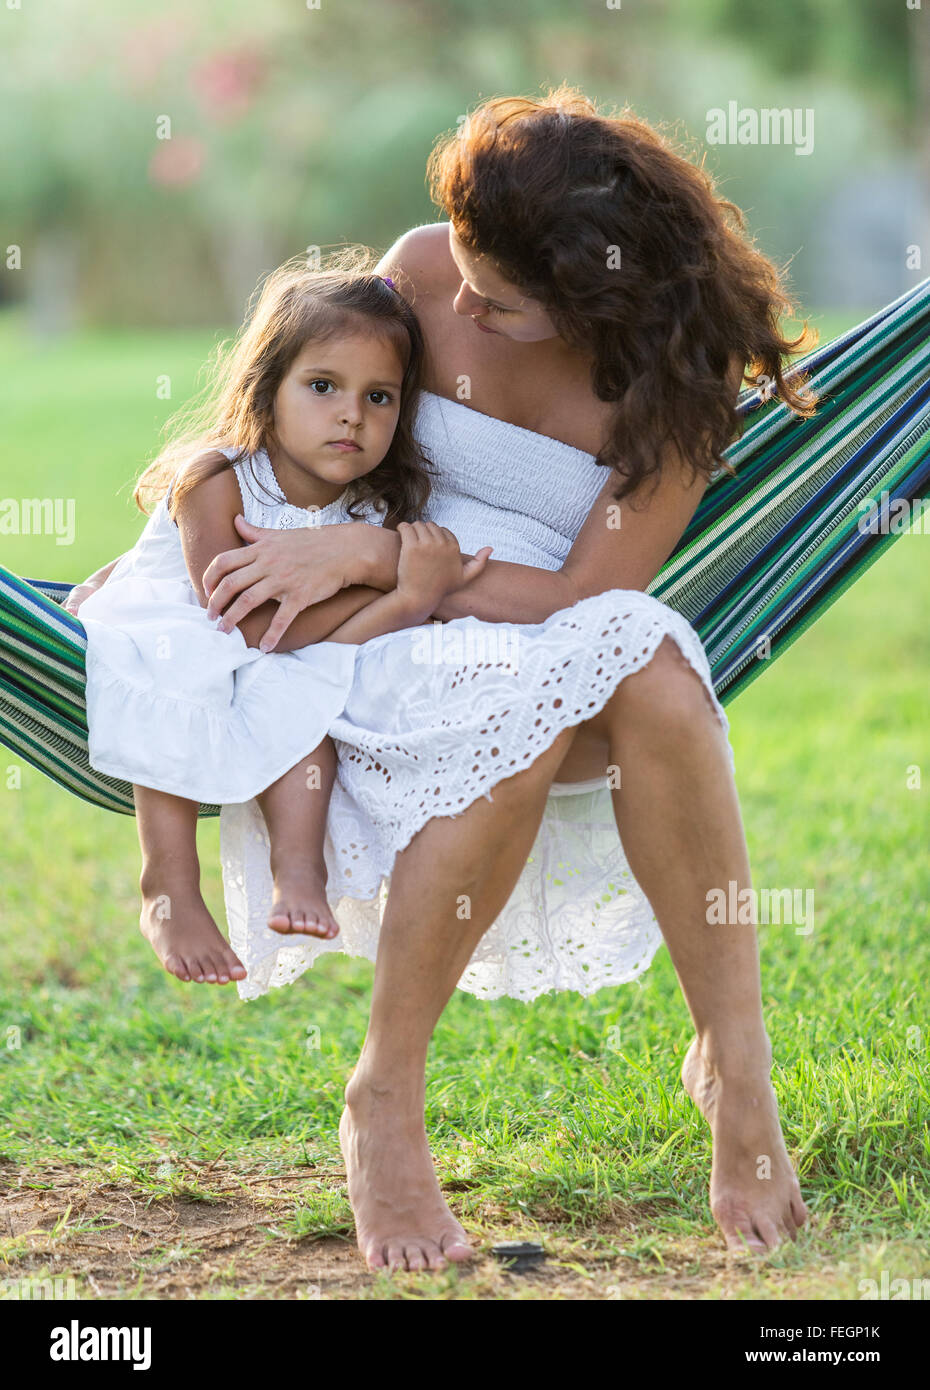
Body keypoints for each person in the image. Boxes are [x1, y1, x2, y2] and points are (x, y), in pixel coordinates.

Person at [68, 87, 815, 1271]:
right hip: (364, 639)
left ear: (596, 295)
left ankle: (738, 1062)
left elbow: (584, 600)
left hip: (518, 615)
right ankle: (386, 1102)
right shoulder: (425, 267)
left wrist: (384, 555)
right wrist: (213, 535)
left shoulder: (675, 375)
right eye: (461, 272)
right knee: (580, 690)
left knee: (653, 662)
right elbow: (305, 403)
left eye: (499, 302)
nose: (457, 303)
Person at [77, 256, 491, 987]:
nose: (352, 415)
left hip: (267, 656)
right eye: (323, 386)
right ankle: (168, 887)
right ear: (268, 390)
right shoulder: (216, 478)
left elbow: (327, 656)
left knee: (308, 719)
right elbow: (254, 622)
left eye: (381, 396)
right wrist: (402, 600)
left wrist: (405, 593)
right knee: (188, 684)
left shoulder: (366, 513)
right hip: (182, 633)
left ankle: (297, 876)